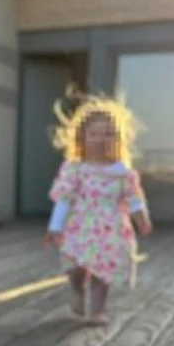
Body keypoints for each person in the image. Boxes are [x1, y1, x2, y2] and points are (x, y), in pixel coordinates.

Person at [43, 92, 153, 326]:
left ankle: (97, 310)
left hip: (110, 227)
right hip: (80, 225)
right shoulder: (75, 169)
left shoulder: (122, 173)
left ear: (118, 139)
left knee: (104, 270)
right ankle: (77, 290)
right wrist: (55, 226)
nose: (100, 140)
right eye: (94, 134)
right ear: (81, 138)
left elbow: (134, 199)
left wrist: (141, 219)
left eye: (108, 134)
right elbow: (64, 199)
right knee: (76, 265)